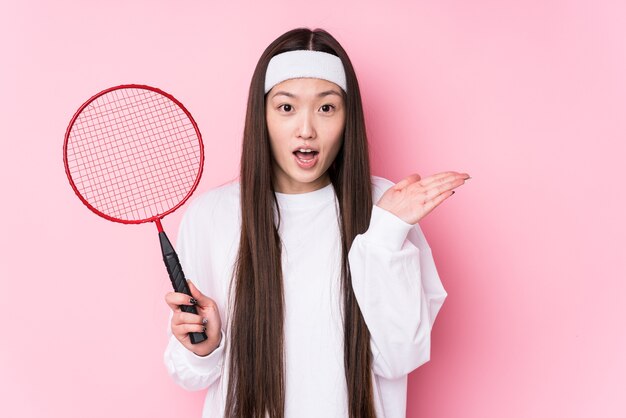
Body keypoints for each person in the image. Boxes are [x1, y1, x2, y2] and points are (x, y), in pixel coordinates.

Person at [163, 27, 469, 418]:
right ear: (262, 116)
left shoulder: (385, 205)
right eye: (286, 108)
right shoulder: (212, 215)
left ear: (347, 118)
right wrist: (205, 345)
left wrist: (386, 233)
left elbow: (400, 356)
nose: (306, 129)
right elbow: (187, 374)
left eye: (326, 108)